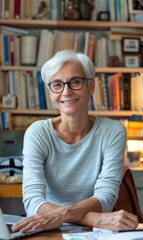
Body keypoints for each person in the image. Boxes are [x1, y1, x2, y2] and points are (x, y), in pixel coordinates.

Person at [12, 50, 138, 233]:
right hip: (51, 228)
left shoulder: (112, 131)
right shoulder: (37, 133)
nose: (66, 91)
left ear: (91, 86)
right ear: (50, 93)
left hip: (97, 232)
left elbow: (106, 197)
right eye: (57, 84)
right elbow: (33, 201)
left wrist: (63, 215)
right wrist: (94, 218)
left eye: (75, 82)